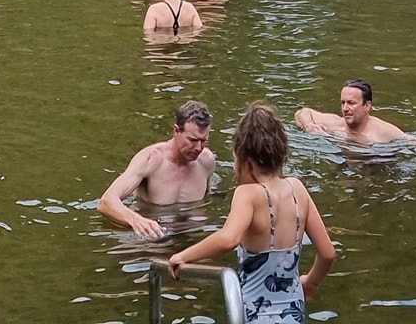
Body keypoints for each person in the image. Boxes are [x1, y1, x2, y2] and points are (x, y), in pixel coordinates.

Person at [168, 103, 334, 323]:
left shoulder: (248, 194)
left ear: (244, 156)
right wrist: (311, 282)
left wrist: (183, 256)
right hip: (293, 312)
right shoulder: (298, 189)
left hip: (256, 314)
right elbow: (327, 253)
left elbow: (228, 238)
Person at [99, 100, 218, 238]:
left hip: (191, 234)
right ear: (176, 131)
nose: (198, 148)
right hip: (151, 237)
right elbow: (106, 201)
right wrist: (136, 220)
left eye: (203, 141)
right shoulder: (150, 160)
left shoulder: (206, 161)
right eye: (192, 140)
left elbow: (208, 198)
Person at [296, 80, 406, 143]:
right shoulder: (336, 123)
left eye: (351, 103)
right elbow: (302, 113)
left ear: (367, 106)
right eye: (343, 102)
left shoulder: (383, 131)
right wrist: (309, 125)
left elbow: (413, 143)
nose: (345, 108)